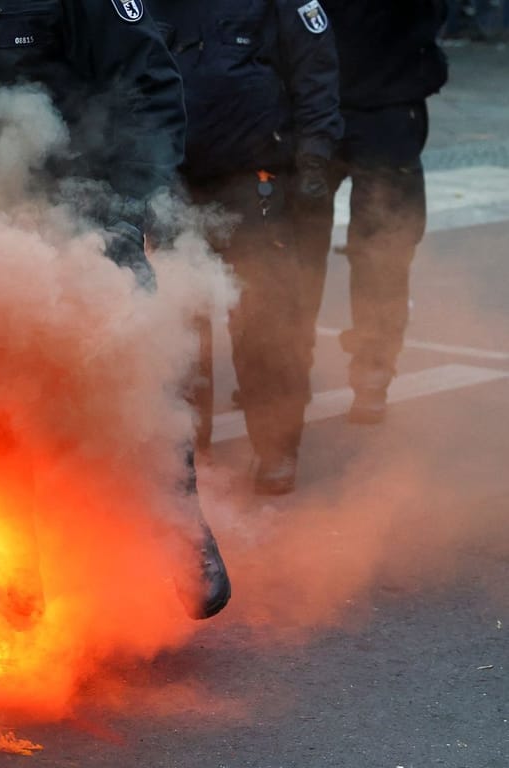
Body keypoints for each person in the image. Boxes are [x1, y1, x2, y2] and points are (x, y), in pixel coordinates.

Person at [0, 0, 229, 618]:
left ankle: (181, 534)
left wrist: (124, 208)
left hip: (82, 212)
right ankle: (11, 563)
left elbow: (147, 84)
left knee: (132, 380)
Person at [155, 0, 342, 495]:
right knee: (178, 329)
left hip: (253, 179)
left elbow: (315, 69)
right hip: (175, 182)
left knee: (266, 321)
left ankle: (277, 450)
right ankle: (190, 455)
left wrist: (315, 156)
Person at [295, 0, 449, 424]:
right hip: (314, 102)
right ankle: (286, 373)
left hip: (386, 103)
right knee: (293, 247)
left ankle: (373, 372)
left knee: (382, 247)